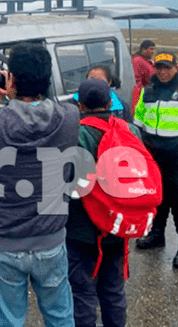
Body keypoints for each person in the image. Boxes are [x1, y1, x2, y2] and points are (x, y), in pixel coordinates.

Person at [0, 43, 78, 326]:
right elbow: (44, 111)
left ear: (11, 79)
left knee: (10, 319)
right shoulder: (69, 118)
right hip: (51, 239)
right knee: (60, 315)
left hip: (6, 243)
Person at [67, 78, 141, 327]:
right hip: (119, 226)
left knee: (83, 294)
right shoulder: (131, 131)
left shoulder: (76, 135)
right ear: (111, 102)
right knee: (113, 290)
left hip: (83, 231)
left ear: (81, 105)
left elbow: (71, 185)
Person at [133, 51, 178, 268]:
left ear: (176, 68)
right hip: (153, 155)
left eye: (167, 67)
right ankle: (156, 235)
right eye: (159, 67)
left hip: (176, 155)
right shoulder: (147, 91)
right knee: (156, 198)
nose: (163, 72)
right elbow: (139, 120)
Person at [131, 40, 155, 112]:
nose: (153, 51)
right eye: (151, 49)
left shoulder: (147, 61)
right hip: (143, 96)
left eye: (154, 49)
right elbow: (137, 80)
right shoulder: (137, 61)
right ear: (143, 49)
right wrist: (143, 94)